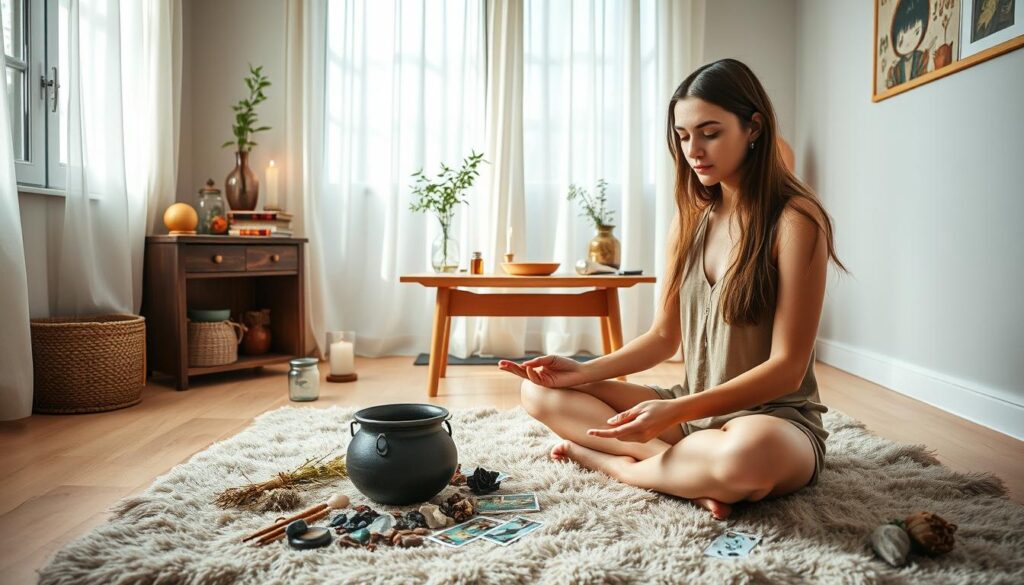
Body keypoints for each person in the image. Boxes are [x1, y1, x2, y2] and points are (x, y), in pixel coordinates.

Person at [499, 58, 846, 520]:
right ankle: (686, 471)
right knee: (537, 394)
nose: (693, 150)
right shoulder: (689, 219)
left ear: (754, 127)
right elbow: (664, 338)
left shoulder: (796, 221)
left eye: (710, 132)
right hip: (689, 415)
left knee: (743, 458)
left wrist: (673, 412)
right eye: (682, 136)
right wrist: (581, 372)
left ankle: (617, 465)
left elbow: (786, 370)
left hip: (772, 422)